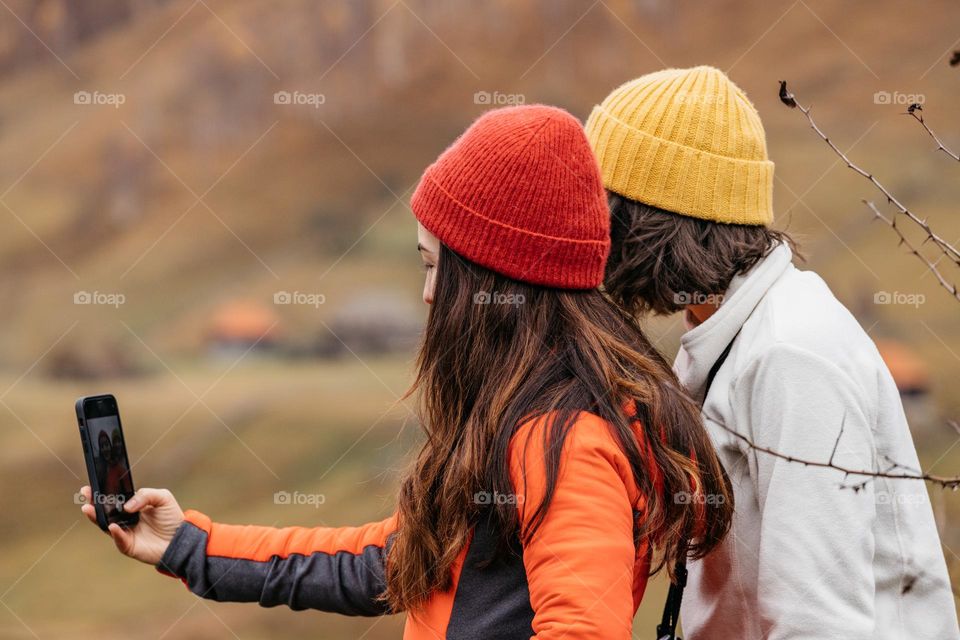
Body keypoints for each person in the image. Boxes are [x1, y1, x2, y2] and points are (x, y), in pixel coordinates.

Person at [78, 104, 733, 639]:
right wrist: (187, 545)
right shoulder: (526, 416)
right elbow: (393, 563)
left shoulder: (567, 441)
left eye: (432, 265)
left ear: (490, 277)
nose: (427, 294)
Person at [585, 65, 960, 639]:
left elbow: (819, 624)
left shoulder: (791, 358)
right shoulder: (726, 333)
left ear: (651, 218)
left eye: (600, 206)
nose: (588, 233)